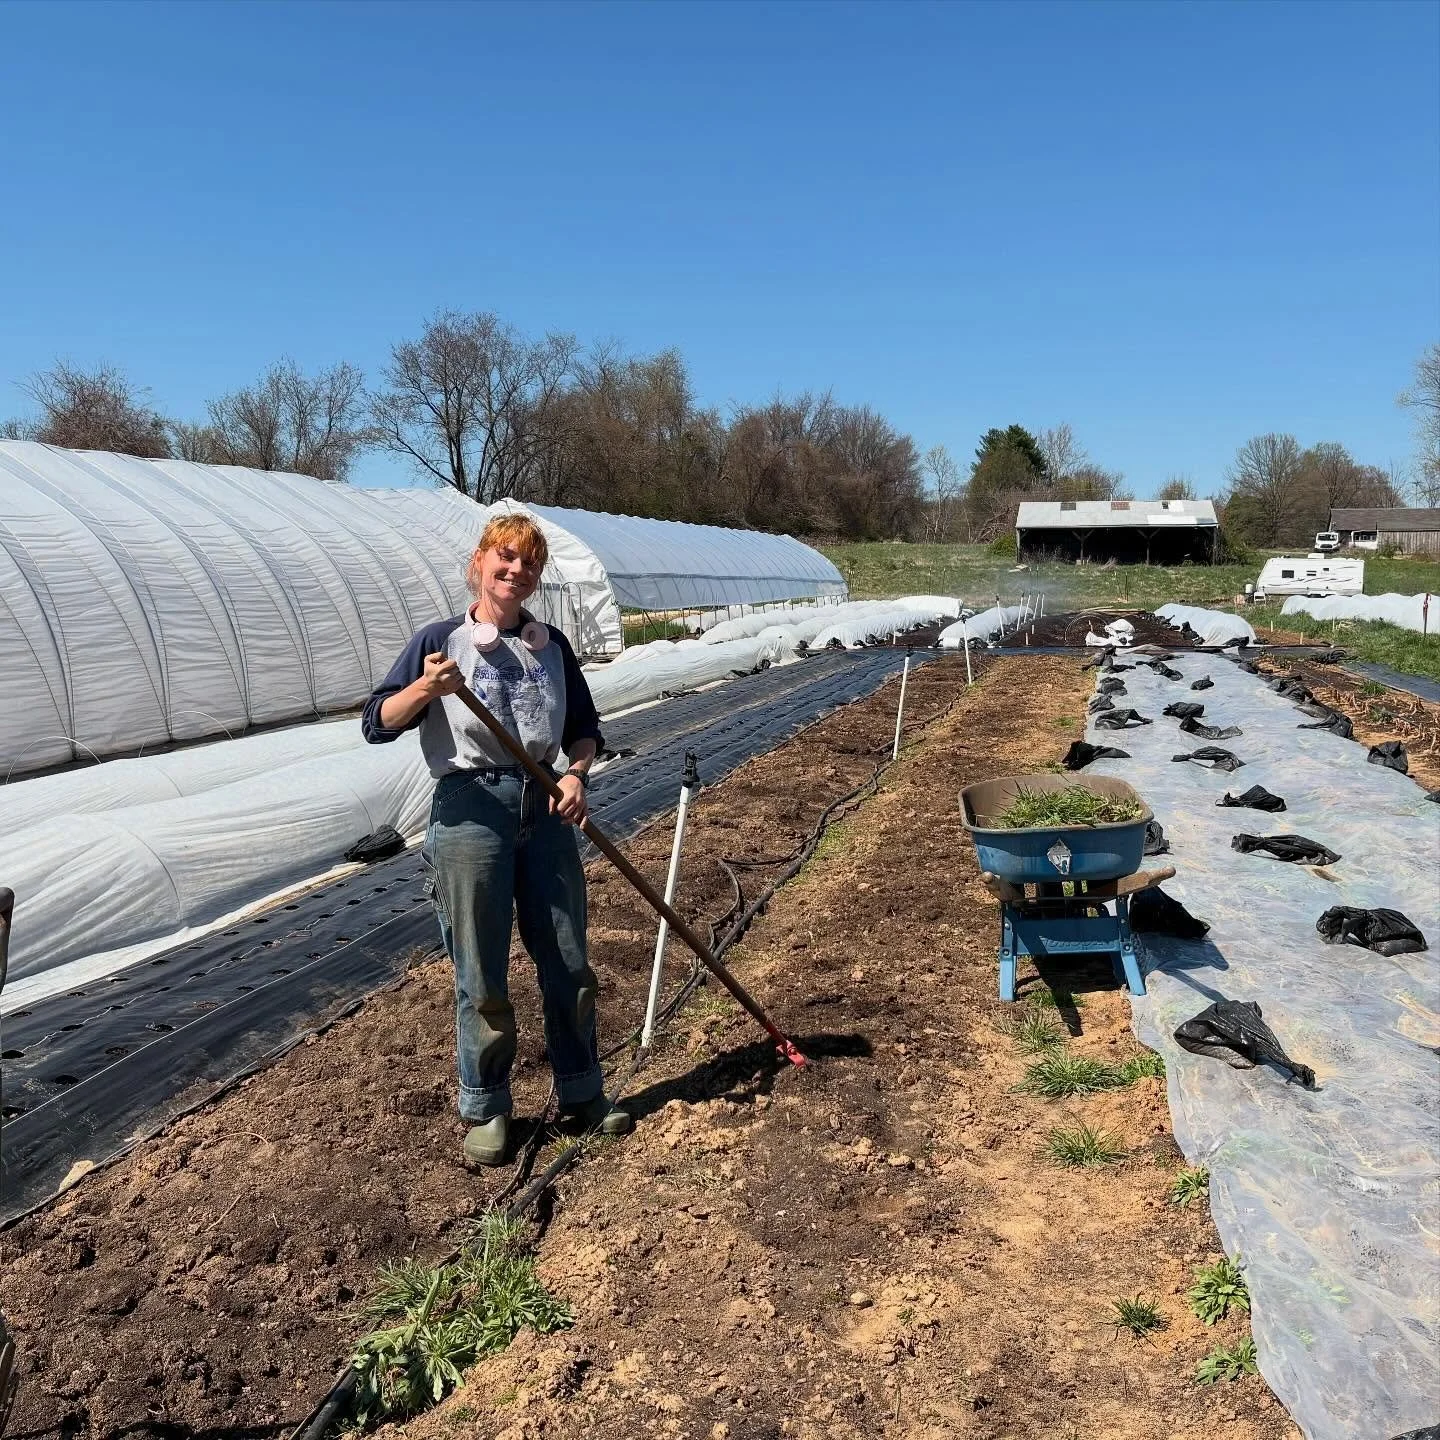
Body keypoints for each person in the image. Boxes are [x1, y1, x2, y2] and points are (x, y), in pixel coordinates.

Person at [362, 512, 631, 1166]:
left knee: (568, 957)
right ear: (479, 564)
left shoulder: (552, 646)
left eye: (529, 564)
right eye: (504, 559)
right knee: (481, 969)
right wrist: (427, 686)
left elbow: (585, 729)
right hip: (469, 806)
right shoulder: (440, 640)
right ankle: (485, 1104)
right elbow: (377, 721)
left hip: (545, 806)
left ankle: (581, 1091)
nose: (516, 572)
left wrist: (575, 774)